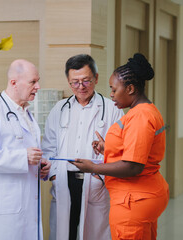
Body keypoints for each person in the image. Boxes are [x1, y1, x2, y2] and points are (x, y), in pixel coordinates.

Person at [72, 53, 169, 240]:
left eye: (114, 89)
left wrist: (92, 167)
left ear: (130, 88)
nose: (111, 94)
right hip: (142, 196)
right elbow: (138, 149)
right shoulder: (144, 111)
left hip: (133, 201)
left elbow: (133, 166)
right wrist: (107, 148)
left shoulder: (140, 116)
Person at [42, 54, 123, 240]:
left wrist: (100, 175)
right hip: (64, 181)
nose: (80, 87)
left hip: (96, 182)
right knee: (65, 233)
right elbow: (48, 147)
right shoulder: (59, 109)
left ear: (96, 78)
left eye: (86, 81)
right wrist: (54, 174)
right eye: (74, 82)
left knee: (94, 233)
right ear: (68, 82)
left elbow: (121, 151)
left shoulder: (113, 109)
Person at [0, 59, 51, 240]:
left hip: (24, 206)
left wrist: (39, 165)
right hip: (2, 209)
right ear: (14, 83)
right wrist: (24, 157)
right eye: (33, 82)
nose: (38, 86)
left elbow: (26, 152)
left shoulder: (26, 113)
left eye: (38, 81)